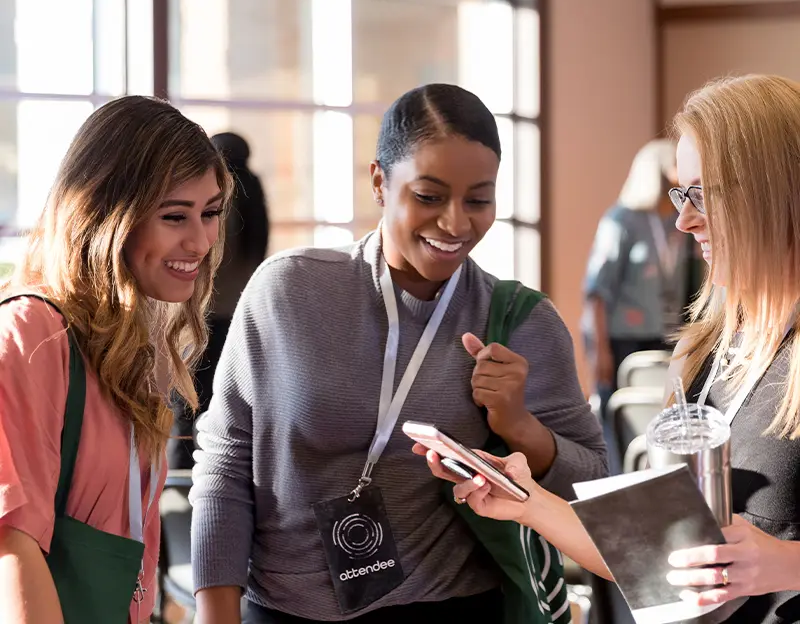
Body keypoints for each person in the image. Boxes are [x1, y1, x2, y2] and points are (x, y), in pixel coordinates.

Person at [191, 84, 607, 624]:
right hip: (282, 609)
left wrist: (521, 426)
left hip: (452, 606)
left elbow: (594, 490)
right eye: (430, 197)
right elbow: (226, 462)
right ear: (380, 183)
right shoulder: (289, 292)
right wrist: (214, 612)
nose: (456, 224)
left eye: (478, 199)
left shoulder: (520, 322)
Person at [422, 74, 800, 624]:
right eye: (680, 193)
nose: (684, 219)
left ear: (772, 190)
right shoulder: (705, 351)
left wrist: (788, 564)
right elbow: (651, 551)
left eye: (701, 194)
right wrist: (525, 500)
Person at [0, 96, 231, 623]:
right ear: (107, 214)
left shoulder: (130, 341)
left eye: (211, 213)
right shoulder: (32, 332)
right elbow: (11, 542)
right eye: (175, 216)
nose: (199, 241)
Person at [168, 131, 268, 470]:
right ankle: (209, 464)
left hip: (208, 309)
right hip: (238, 310)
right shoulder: (256, 193)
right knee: (218, 395)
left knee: (190, 394)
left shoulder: (223, 199)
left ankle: (184, 467)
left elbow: (209, 260)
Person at [583, 139, 701, 412]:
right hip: (625, 340)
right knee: (626, 415)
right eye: (674, 166)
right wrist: (599, 352)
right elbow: (596, 291)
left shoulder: (681, 222)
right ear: (656, 171)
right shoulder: (621, 220)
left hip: (671, 337)